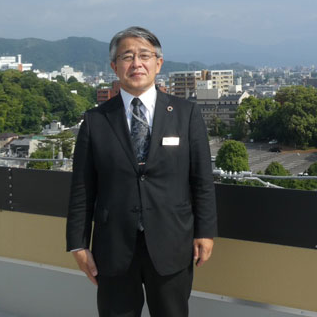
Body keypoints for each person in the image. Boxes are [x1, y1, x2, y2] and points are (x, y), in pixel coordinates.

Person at [66, 26, 217, 317]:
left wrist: (206, 232)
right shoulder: (96, 121)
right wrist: (77, 243)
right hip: (113, 245)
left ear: (158, 63)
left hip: (172, 241)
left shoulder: (186, 114)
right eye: (127, 56)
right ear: (114, 66)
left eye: (145, 55)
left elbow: (202, 180)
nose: (137, 63)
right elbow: (82, 187)